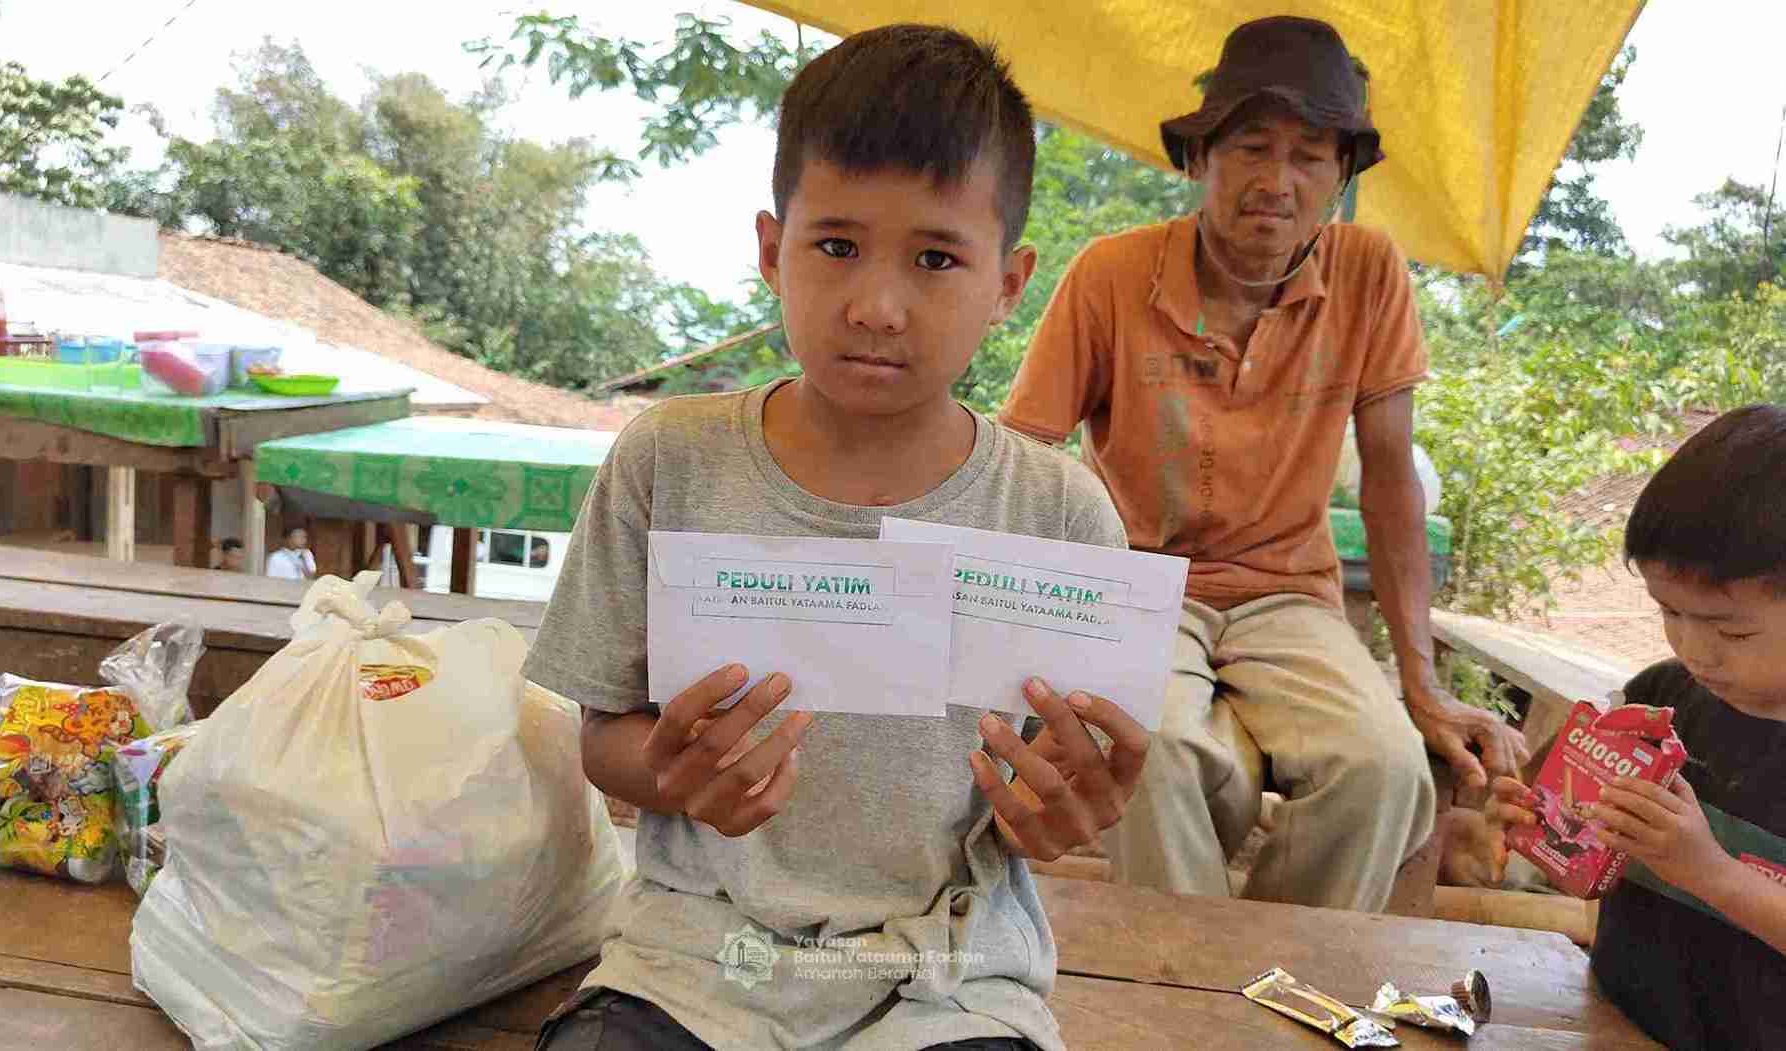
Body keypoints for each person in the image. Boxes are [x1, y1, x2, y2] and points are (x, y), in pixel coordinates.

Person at [525, 25, 1149, 1051]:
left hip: (945, 973)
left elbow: (1065, 795)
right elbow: (604, 738)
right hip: (703, 956)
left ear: (1009, 281)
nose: (876, 305)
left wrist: (1069, 812)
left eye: (938, 257)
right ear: (773, 250)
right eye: (837, 245)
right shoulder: (668, 463)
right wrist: (677, 775)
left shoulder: (1062, 516)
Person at [997, 14, 1529, 912]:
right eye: (1250, 146)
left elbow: (1391, 474)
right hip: (1138, 587)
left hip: (1291, 597)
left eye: (1310, 155)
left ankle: (1285, 990)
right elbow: (1023, 456)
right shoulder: (1111, 275)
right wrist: (1025, 634)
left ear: (1340, 175)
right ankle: (1191, 1000)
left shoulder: (1369, 274)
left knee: (1386, 767)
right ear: (1200, 156)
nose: (1276, 182)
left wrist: (1421, 682)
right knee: (1149, 748)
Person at [1483, 405, 1786, 1049]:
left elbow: (1700, 875)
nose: (1695, 650)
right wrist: (1549, 830)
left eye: (1731, 629)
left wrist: (1712, 873)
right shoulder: (1653, 705)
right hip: (1616, 1024)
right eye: (1669, 612)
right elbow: (1601, 866)